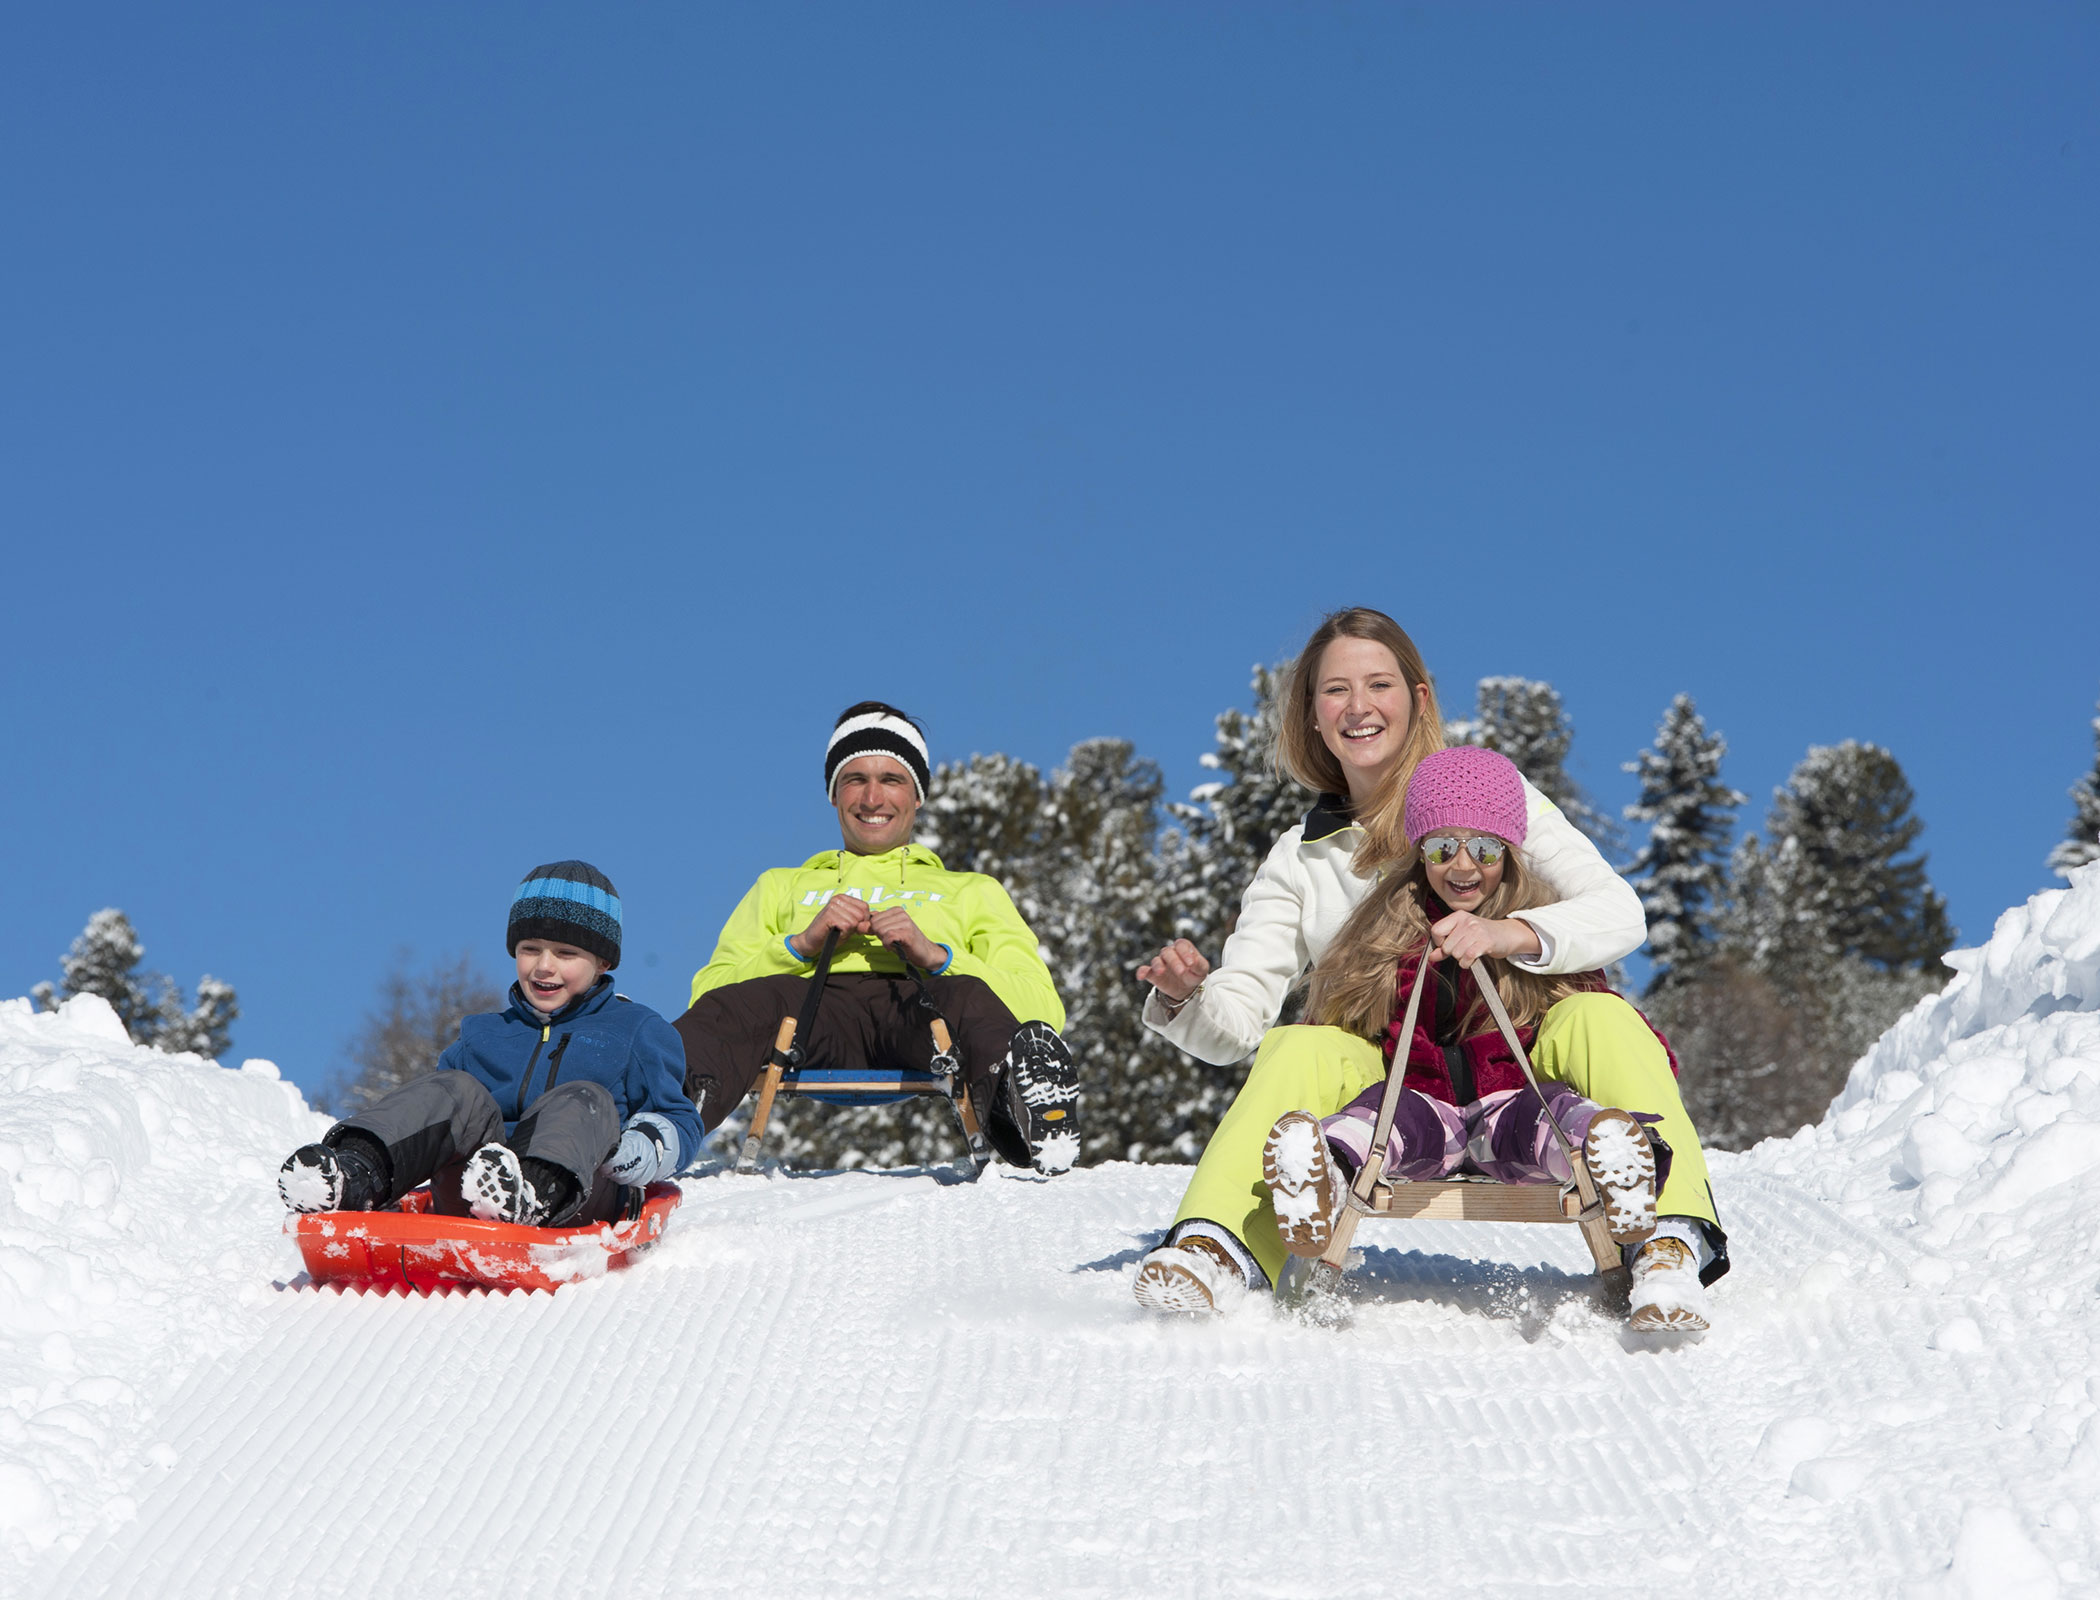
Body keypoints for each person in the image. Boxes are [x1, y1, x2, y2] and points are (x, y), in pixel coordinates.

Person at [1132, 607, 1727, 1310]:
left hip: (1524, 1064)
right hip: (1390, 1084)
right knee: (1298, 1047)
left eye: (1378, 684)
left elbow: (1619, 912)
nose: (1358, 708)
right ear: (1311, 715)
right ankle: (1218, 1247)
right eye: (1335, 691)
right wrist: (1186, 1000)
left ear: (1417, 699)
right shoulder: (1301, 857)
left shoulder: (1494, 799)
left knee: (1603, 1019)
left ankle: (1666, 1240)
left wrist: (1514, 934)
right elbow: (1239, 1021)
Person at [1249, 748, 1718, 1331]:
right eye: (1443, 847)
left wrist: (1507, 938)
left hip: (1511, 1104)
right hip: (1423, 1107)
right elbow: (1342, 1013)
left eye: (1486, 848)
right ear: (1419, 852)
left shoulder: (1536, 921)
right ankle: (1324, 1177)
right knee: (1374, 1123)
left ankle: (1620, 1168)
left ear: (1510, 852)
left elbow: (1597, 1003)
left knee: (1561, 1123)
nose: (1463, 865)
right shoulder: (1384, 926)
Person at [673, 701, 1079, 1174]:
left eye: (891, 779)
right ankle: (659, 1125)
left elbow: (1044, 1010)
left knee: (970, 996)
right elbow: (709, 994)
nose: (871, 798)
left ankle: (1028, 1123)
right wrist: (800, 945)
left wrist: (937, 957)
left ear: (918, 796)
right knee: (735, 1009)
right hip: (807, 1009)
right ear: (833, 794)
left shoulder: (971, 891)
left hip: (924, 1012)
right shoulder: (780, 885)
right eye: (855, 779)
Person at [279, 861, 701, 1227]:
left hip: (581, 1197)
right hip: (470, 1191)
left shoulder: (636, 1030)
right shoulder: (483, 1033)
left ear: (603, 962)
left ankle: (530, 1193)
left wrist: (637, 1148)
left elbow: (679, 1120)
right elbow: (434, 1124)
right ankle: (353, 1174)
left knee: (583, 1098)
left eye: (566, 953)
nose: (544, 966)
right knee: (453, 1090)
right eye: (530, 948)